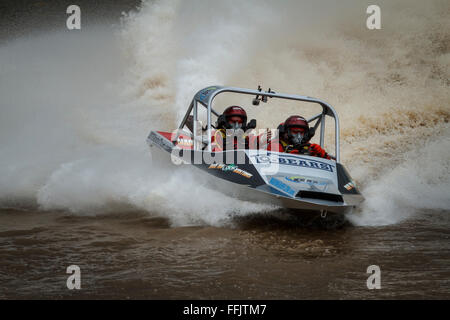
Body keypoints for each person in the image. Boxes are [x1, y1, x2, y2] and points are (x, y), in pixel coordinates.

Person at [266, 115, 331, 159]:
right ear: (286, 132)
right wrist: (288, 157)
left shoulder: (310, 147)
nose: (299, 136)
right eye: (295, 132)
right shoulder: (275, 145)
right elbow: (269, 166)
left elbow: (329, 168)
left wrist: (322, 155)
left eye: (302, 133)